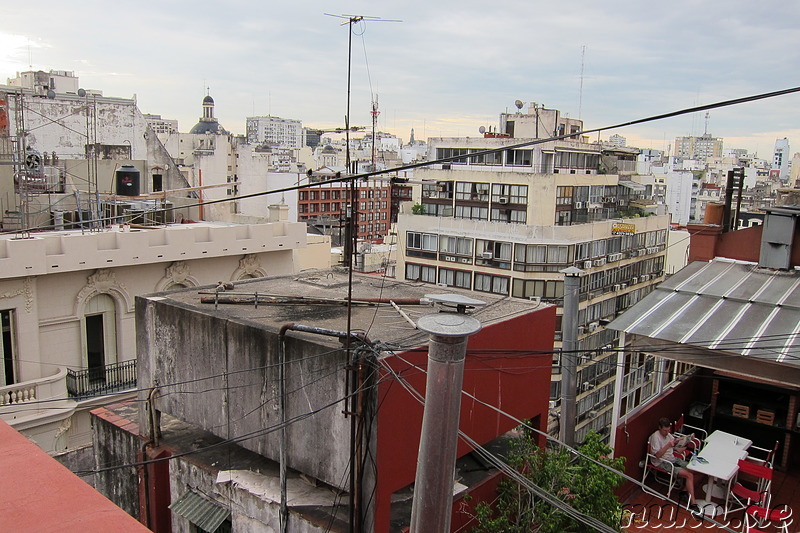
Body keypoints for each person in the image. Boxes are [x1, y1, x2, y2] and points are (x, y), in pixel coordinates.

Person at [649, 417, 701, 514]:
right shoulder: (655, 437)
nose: (667, 432)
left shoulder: (668, 435)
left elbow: (678, 450)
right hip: (662, 462)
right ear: (659, 428)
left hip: (673, 459)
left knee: (698, 471)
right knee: (689, 475)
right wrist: (668, 445)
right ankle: (693, 504)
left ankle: (684, 492)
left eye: (668, 430)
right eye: (665, 430)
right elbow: (657, 455)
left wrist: (686, 442)